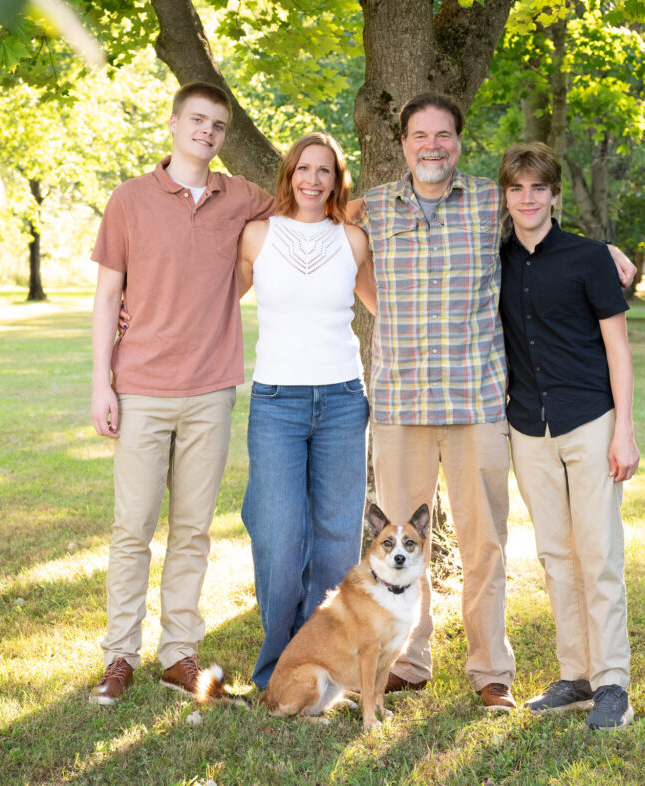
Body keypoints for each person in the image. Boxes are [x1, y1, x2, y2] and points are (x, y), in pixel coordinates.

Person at [357, 93, 636, 711]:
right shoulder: (372, 207)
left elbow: (545, 226)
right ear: (403, 144)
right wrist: (391, 315)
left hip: (479, 405)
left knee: (485, 546)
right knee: (398, 544)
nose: (432, 145)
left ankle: (489, 671)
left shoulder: (489, 200)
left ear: (459, 142)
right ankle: (410, 658)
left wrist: (605, 253)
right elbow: (325, 232)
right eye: (420, 135)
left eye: (444, 135)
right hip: (402, 405)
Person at [88, 82, 274, 705]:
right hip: (141, 386)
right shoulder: (130, 199)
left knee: (193, 528)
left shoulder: (242, 196)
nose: (208, 133)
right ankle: (119, 656)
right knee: (132, 527)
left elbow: (308, 206)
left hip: (212, 388)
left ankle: (178, 656)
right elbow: (106, 296)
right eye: (197, 120)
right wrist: (101, 384)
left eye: (218, 126)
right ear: (173, 124)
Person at [497, 141, 639, 730]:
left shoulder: (588, 258)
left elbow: (618, 348)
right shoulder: (494, 257)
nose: (527, 198)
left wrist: (624, 430)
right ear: (506, 197)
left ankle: (613, 686)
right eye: (516, 188)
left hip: (590, 420)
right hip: (527, 426)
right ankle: (575, 675)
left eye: (538, 188)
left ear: (554, 195)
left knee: (599, 553)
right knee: (556, 555)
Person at [236, 132, 376, 690]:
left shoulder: (354, 241)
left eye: (325, 171)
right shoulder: (257, 236)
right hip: (276, 402)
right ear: (289, 174)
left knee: (337, 537)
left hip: (343, 399)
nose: (313, 180)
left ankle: (327, 665)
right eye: (304, 169)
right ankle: (277, 666)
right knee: (276, 534)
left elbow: (388, 307)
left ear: (338, 180)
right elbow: (212, 299)